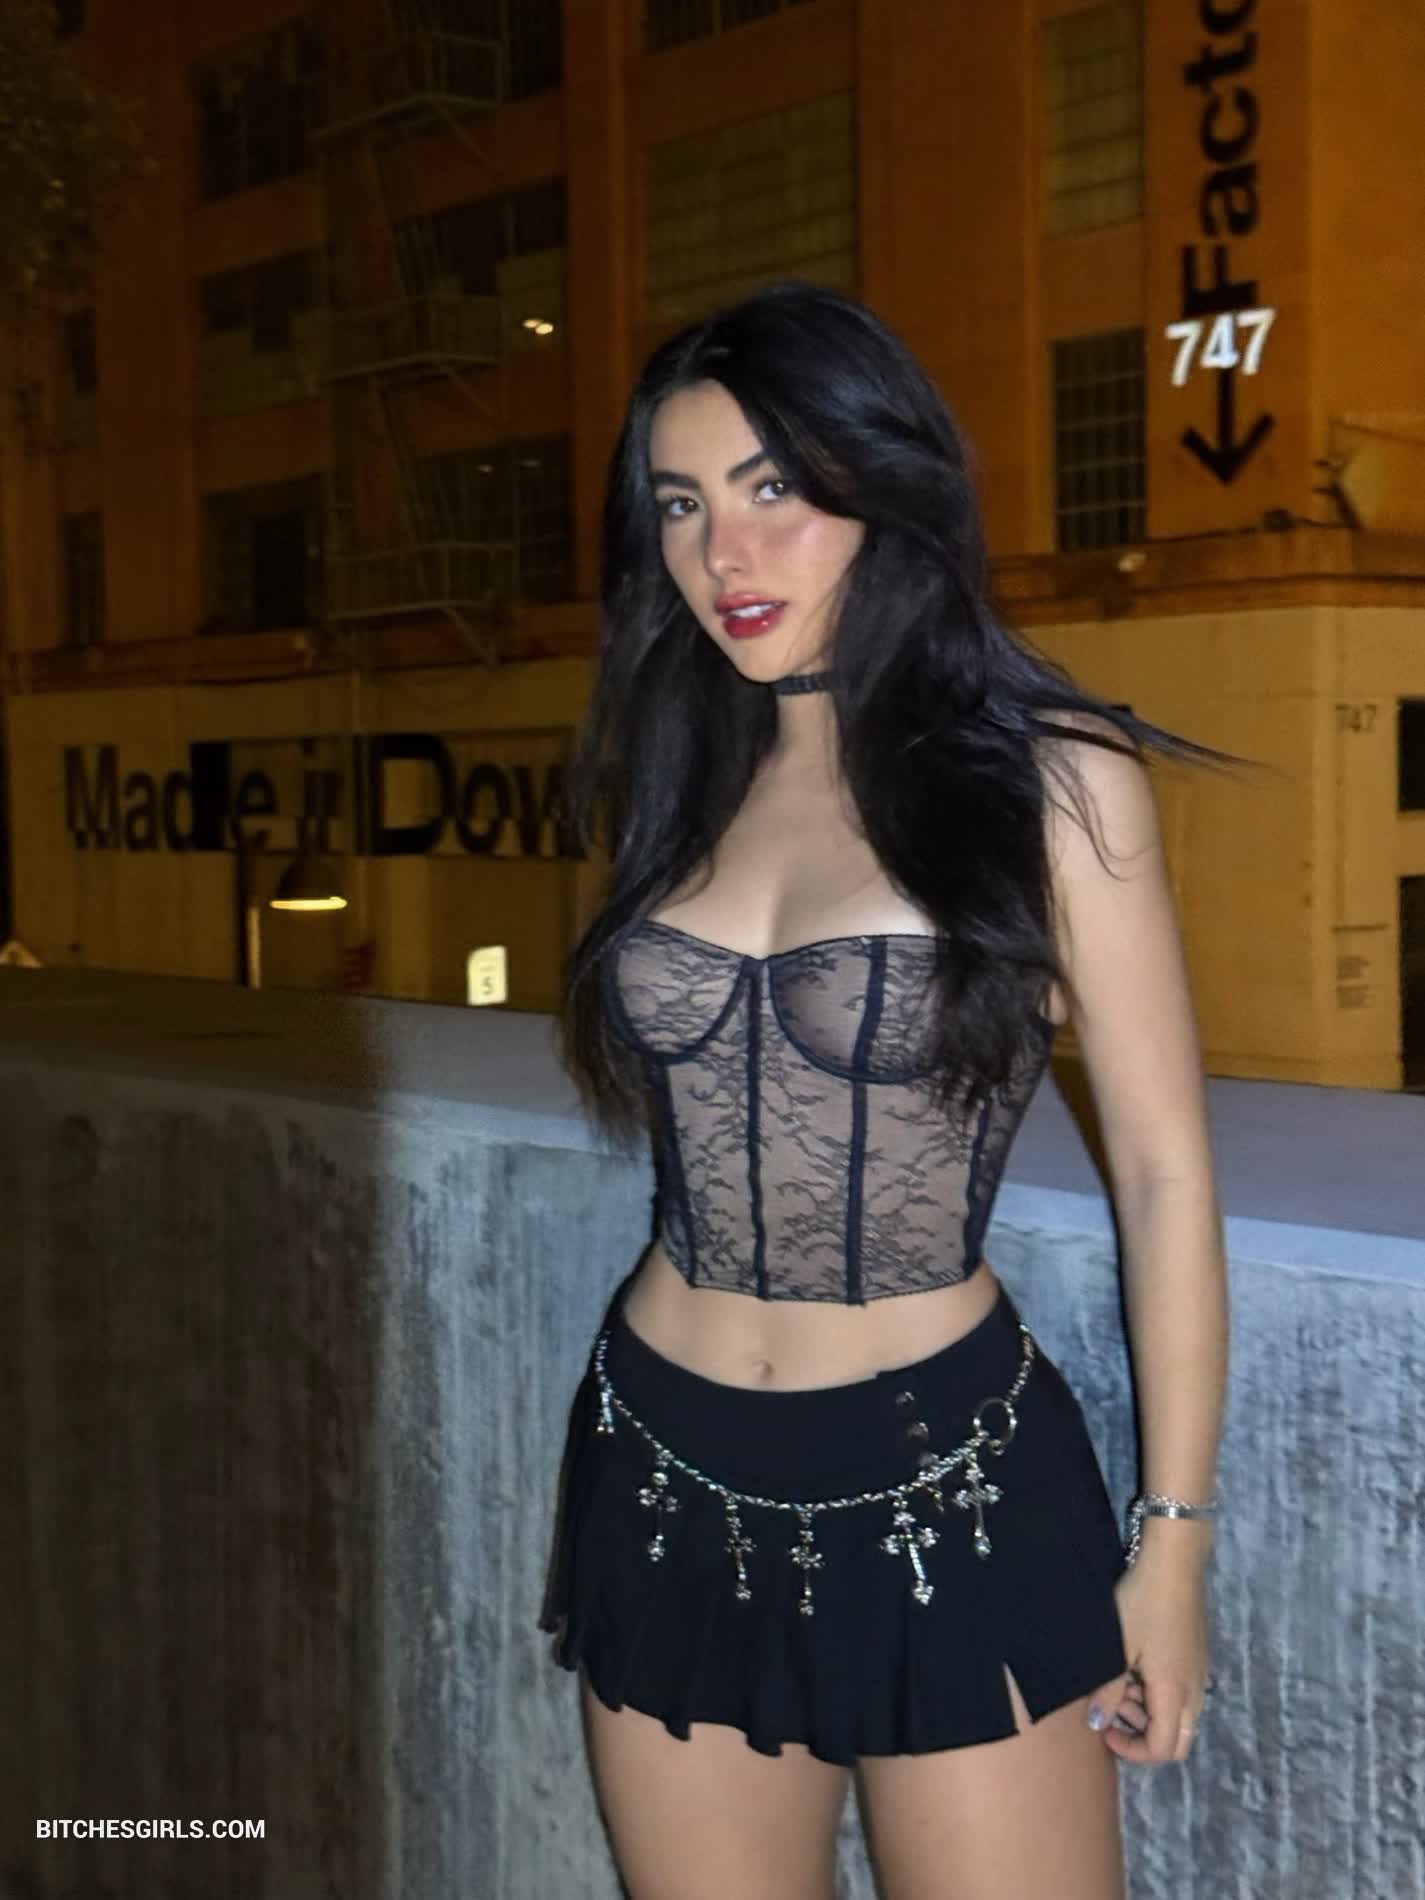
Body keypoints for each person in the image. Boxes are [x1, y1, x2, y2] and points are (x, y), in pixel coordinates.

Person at [541, 281, 1236, 1900]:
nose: (724, 555)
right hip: (660, 1466)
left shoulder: (1049, 775)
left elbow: (1163, 1176)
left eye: (773, 489)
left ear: (882, 482)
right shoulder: (681, 772)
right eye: (680, 505)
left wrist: (1174, 1543)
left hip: (954, 1483)